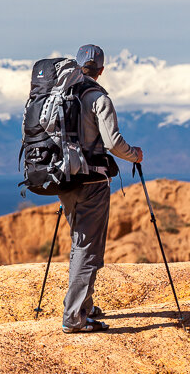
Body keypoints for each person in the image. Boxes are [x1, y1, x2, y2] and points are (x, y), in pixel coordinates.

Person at [60, 44, 143, 333]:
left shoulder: (61, 95)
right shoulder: (98, 98)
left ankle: (85, 305)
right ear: (101, 70)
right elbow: (112, 143)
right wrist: (135, 154)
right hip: (92, 182)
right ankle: (74, 318)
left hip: (63, 181)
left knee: (79, 242)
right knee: (89, 247)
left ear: (76, 65)